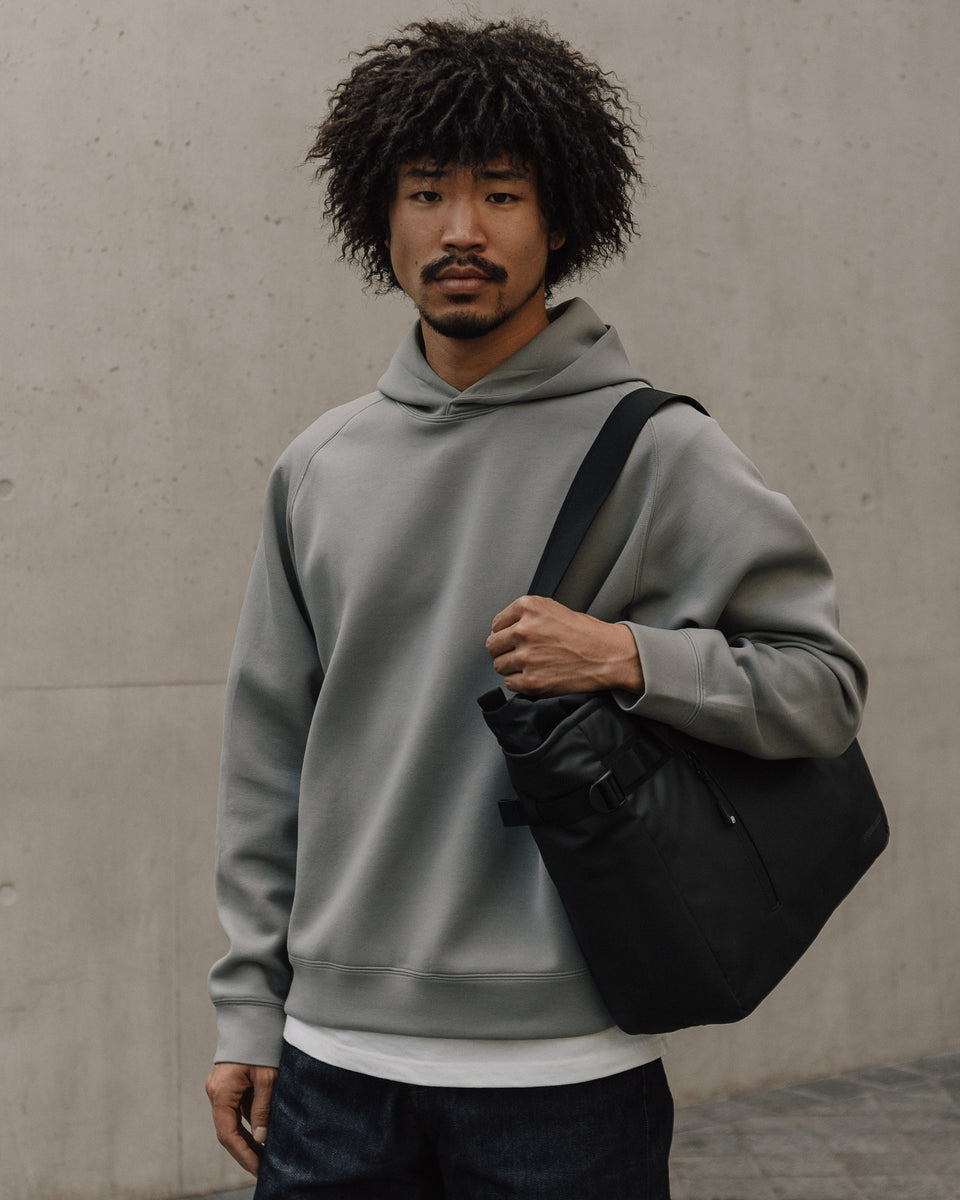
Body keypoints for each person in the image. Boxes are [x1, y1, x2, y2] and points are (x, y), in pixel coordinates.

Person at [205, 18, 866, 1198]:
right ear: (381, 218)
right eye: (426, 194)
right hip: (331, 1072)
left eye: (501, 194)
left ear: (560, 220)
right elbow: (268, 756)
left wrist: (628, 656)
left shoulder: (661, 451)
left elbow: (822, 690)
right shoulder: (320, 466)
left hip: (563, 1079)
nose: (462, 230)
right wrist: (248, 1014)